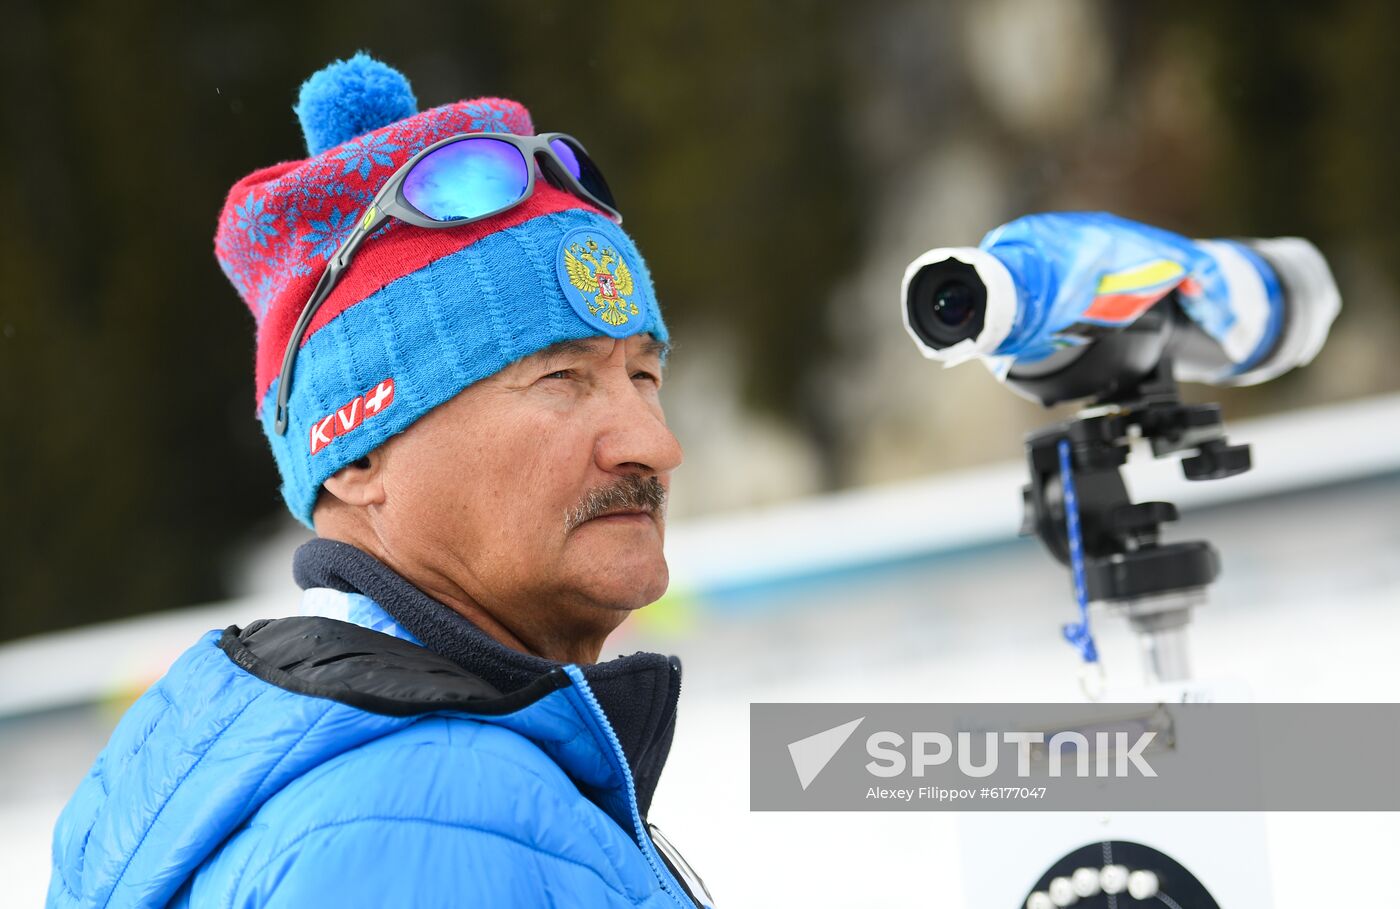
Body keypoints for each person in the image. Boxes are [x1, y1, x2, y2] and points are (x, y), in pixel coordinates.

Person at [47, 53, 714, 908]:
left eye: (644, 376)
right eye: (562, 378)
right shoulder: (419, 825)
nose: (653, 443)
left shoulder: (412, 782)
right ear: (358, 454)